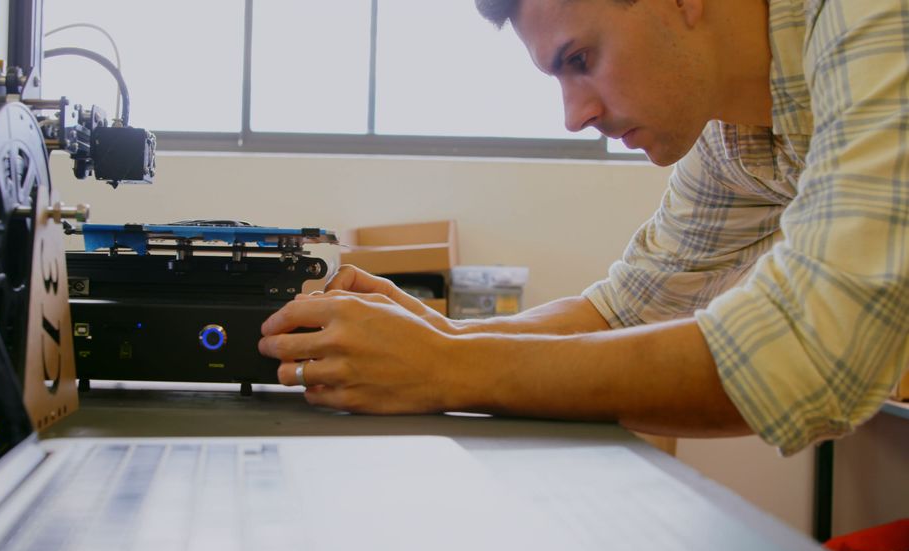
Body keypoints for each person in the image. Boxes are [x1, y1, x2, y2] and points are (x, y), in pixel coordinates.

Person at [259, 0, 908, 456]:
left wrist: (448, 366)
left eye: (580, 59)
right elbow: (624, 312)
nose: (575, 115)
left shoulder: (874, 18)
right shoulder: (735, 135)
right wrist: (438, 336)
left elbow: (814, 350)